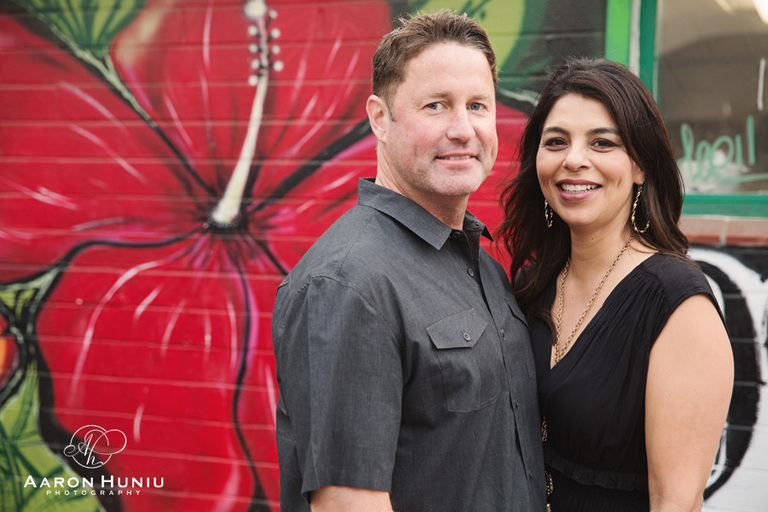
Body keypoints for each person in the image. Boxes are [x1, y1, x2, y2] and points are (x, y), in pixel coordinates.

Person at [272, 10, 545, 512]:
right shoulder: (349, 284)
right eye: (436, 106)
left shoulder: (481, 265)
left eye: (478, 105)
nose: (463, 129)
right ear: (380, 117)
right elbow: (347, 502)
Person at [496, 56, 734, 511]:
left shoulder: (677, 307)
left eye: (602, 143)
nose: (574, 160)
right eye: (557, 141)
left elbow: (676, 503)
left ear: (641, 167)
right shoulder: (532, 283)